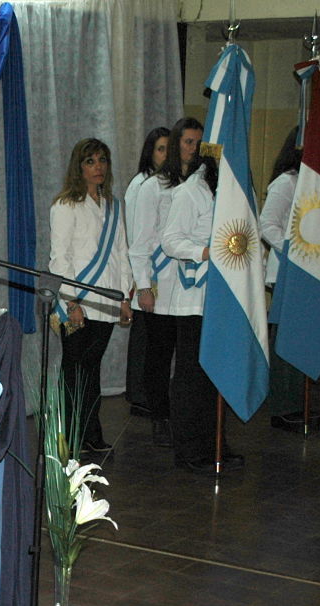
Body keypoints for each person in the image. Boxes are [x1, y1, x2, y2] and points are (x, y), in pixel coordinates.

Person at [161, 142, 243, 474]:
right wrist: (204, 251)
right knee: (191, 377)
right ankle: (189, 449)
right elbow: (170, 240)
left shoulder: (229, 192)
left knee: (215, 374)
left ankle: (214, 443)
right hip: (195, 297)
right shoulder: (189, 192)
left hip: (222, 298)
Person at [49, 137, 133, 455]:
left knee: (92, 368)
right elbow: (60, 259)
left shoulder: (114, 206)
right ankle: (70, 437)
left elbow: (121, 253)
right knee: (73, 369)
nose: (98, 167)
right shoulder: (65, 205)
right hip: (76, 303)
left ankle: (90, 432)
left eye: (102, 160)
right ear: (79, 167)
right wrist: (71, 302)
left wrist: (124, 297)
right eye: (90, 161)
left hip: (106, 302)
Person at [130, 118, 202, 448]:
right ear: (176, 144)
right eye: (187, 142)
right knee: (159, 354)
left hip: (190, 287)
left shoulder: (201, 184)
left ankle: (185, 416)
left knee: (187, 357)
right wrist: (143, 286)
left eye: (197, 142)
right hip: (159, 284)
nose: (193, 148)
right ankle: (161, 415)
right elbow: (141, 242)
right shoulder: (152, 187)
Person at [260, 127, 320, 433]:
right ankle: (283, 405)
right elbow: (267, 224)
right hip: (287, 271)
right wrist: (294, 251)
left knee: (301, 338)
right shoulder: (286, 183)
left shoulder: (314, 185)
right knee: (286, 338)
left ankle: (297, 401)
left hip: (308, 272)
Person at [123, 126, 170, 419]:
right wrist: (141, 280)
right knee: (144, 333)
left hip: (165, 269)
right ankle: (139, 393)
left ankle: (152, 391)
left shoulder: (169, 183)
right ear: (150, 153)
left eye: (169, 149)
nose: (166, 155)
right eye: (161, 149)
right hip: (146, 267)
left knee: (156, 336)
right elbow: (135, 232)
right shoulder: (141, 184)